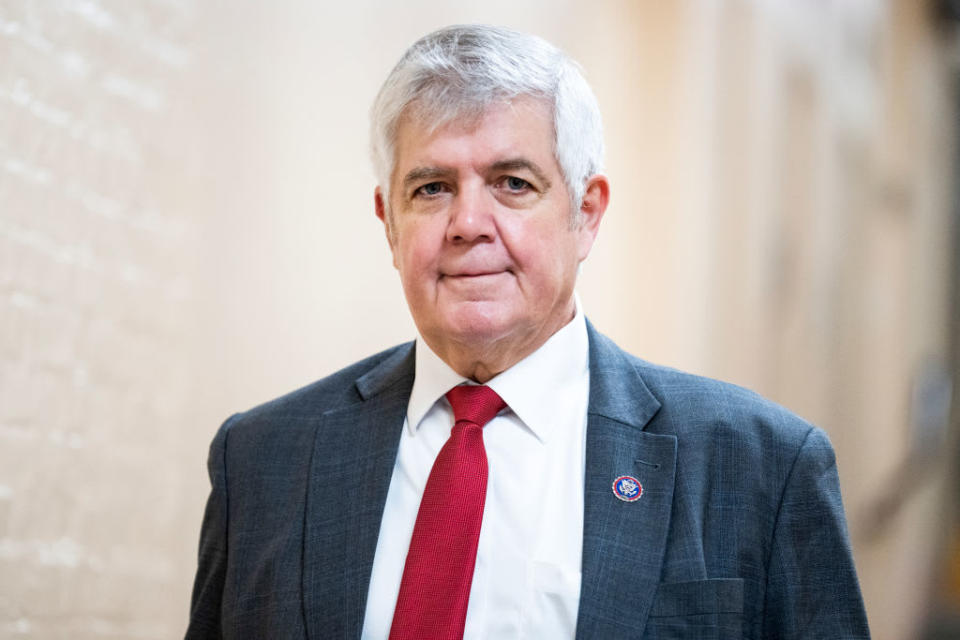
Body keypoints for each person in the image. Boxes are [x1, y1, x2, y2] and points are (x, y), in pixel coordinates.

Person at [186, 24, 870, 640]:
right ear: (387, 223)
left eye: (512, 183)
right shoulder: (262, 461)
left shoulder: (762, 468)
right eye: (431, 189)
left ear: (586, 214)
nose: (468, 223)